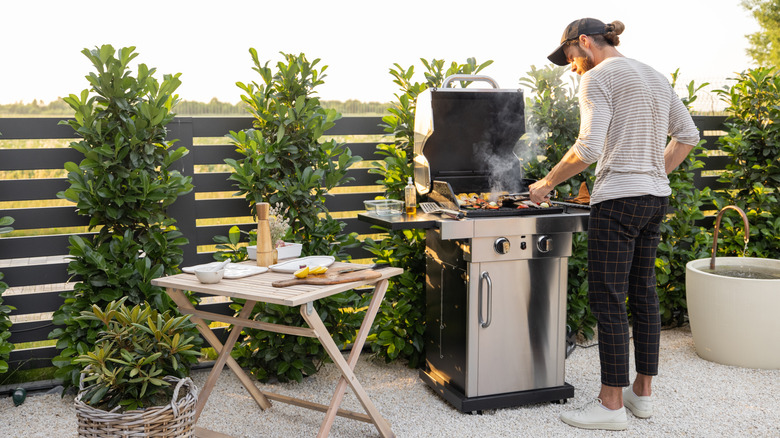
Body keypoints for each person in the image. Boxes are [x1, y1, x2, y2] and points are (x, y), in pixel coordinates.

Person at [529, 18, 700, 431]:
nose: (572, 67)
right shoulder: (655, 76)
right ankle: (642, 395)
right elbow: (688, 134)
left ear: (585, 43)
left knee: (608, 298)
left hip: (619, 202)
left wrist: (546, 183)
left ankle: (609, 406)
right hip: (655, 199)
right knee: (643, 294)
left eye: (570, 57)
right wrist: (651, 172)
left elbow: (587, 147)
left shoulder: (598, 77)